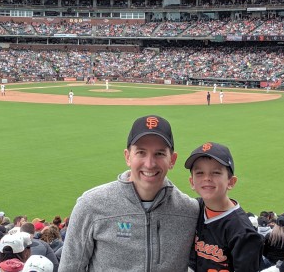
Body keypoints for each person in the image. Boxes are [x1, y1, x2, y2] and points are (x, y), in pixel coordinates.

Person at [59, 115, 199, 271]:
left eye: (159, 154)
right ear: (127, 156)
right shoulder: (90, 205)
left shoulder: (189, 211)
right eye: (141, 152)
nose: (149, 164)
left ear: (172, 160)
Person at [185, 142, 263, 272]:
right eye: (199, 172)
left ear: (231, 182)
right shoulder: (196, 208)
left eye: (216, 172)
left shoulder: (243, 233)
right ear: (192, 182)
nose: (207, 178)